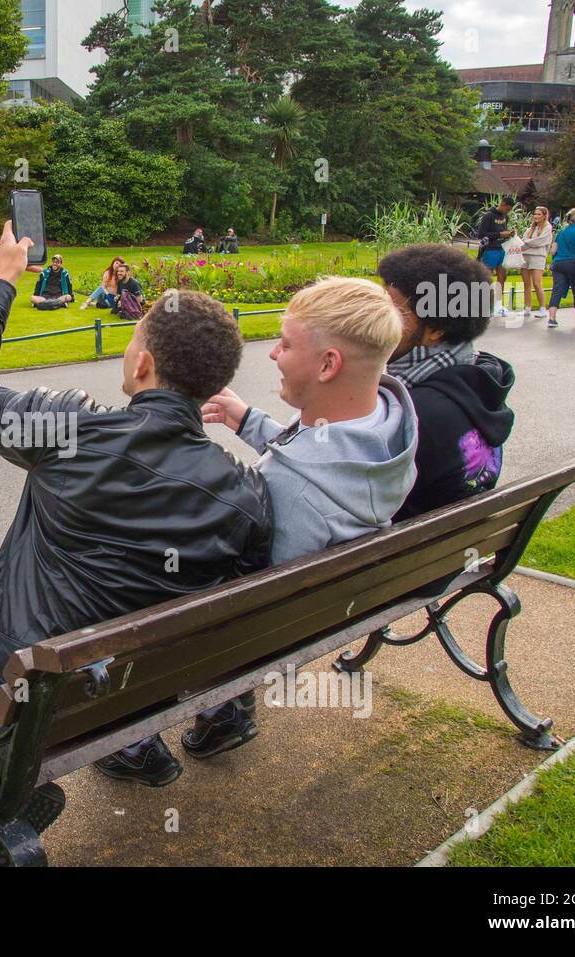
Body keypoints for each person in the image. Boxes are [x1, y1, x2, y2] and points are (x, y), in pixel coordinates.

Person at [0, 222, 272, 836]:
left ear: (141, 362)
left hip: (19, 681)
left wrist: (3, 279)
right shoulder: (246, 494)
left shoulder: (72, 432)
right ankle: (134, 749)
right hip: (130, 694)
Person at [103, 277, 418, 782]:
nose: (272, 354)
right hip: (317, 614)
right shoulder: (386, 425)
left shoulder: (291, 493)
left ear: (328, 364)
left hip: (250, 637)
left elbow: (242, 589)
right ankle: (225, 713)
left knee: (124, 586)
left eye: (286, 344)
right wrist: (250, 421)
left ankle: (134, 742)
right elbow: (321, 451)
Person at [378, 244, 514, 520]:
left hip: (401, 557)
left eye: (392, 309)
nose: (375, 317)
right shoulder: (478, 380)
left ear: (437, 330)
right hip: (448, 551)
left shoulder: (411, 411)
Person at [474, 197, 514, 318]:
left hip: (501, 248)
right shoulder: (489, 216)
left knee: (502, 276)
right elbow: (481, 234)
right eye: (506, 209)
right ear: (502, 204)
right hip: (490, 249)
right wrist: (499, 234)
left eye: (509, 210)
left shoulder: (505, 217)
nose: (507, 212)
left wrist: (508, 234)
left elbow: (502, 231)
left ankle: (498, 305)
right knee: (488, 278)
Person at [518, 206, 552, 319]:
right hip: (525, 257)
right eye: (535, 214)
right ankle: (527, 308)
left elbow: (540, 241)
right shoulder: (530, 229)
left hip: (538, 257)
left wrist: (527, 243)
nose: (536, 216)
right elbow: (522, 242)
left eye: (539, 214)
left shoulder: (547, 228)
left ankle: (542, 308)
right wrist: (526, 243)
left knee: (537, 283)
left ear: (544, 216)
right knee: (527, 284)